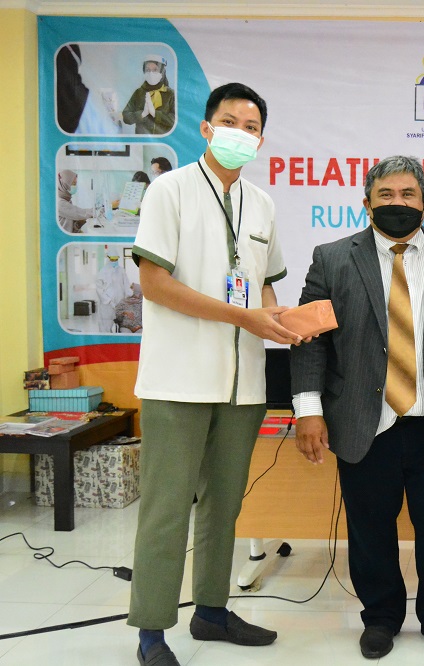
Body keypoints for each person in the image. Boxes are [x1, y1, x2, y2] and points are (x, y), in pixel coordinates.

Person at [290, 155, 424, 660]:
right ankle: (380, 617)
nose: (397, 203)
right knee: (369, 530)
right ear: (366, 203)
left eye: (407, 195)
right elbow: (310, 340)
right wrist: (308, 408)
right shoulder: (332, 258)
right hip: (366, 421)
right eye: (386, 195)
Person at [127, 82, 301, 666]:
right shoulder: (169, 191)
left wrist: (282, 320)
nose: (239, 134)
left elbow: (264, 286)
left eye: (251, 127)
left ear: (260, 139)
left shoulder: (262, 203)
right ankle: (152, 631)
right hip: (177, 380)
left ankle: (211, 611)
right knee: (167, 509)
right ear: (206, 128)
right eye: (229, 122)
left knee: (224, 507)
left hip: (243, 384)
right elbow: (155, 284)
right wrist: (242, 315)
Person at [123, 54, 176, 135]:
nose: (151, 73)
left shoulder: (170, 94)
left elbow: (175, 120)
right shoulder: (138, 93)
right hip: (142, 140)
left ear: (162, 72)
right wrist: (142, 114)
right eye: (148, 70)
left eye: (155, 70)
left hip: (163, 141)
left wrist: (155, 113)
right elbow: (126, 116)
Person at [56, 169, 91, 233]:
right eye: (73, 184)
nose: (75, 186)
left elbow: (68, 225)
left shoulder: (67, 199)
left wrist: (78, 224)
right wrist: (102, 210)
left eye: (76, 184)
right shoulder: (60, 203)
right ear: (65, 185)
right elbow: (83, 213)